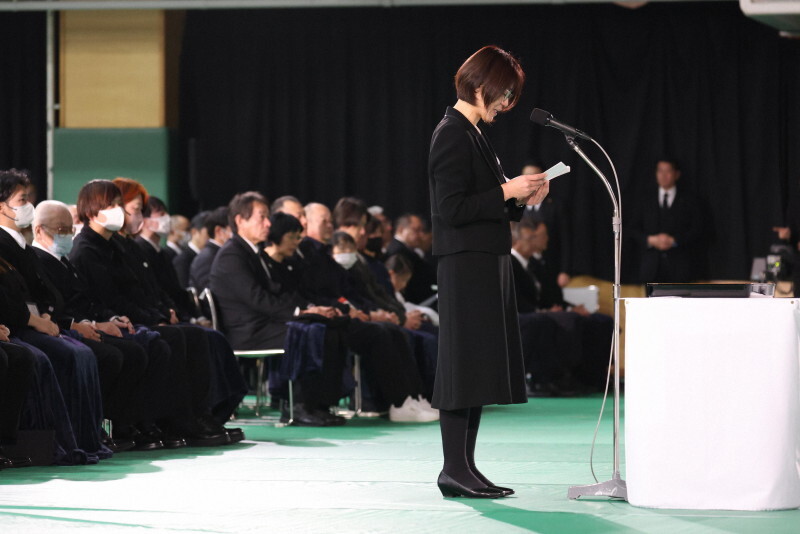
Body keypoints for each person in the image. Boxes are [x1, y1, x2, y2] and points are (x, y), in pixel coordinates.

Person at [428, 45, 549, 499]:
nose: (506, 104)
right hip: (465, 265)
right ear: (480, 87)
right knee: (462, 367)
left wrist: (521, 196)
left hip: (484, 261)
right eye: (504, 94)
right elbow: (452, 209)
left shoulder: (473, 133)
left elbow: (488, 205)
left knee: (475, 368)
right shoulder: (452, 133)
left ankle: (464, 468)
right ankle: (453, 469)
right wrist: (506, 190)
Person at [628, 159, 701, 283]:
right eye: (660, 171)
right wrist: (650, 240)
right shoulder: (644, 199)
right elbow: (632, 228)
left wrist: (674, 241)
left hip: (680, 268)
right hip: (650, 268)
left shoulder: (691, 200)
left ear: (676, 174)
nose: (663, 175)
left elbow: (698, 229)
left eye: (668, 171)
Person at [520, 161, 572, 288]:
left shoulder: (556, 206)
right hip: (523, 268)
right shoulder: (515, 205)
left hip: (551, 266)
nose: (529, 180)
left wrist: (565, 270)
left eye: (533, 176)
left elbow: (566, 239)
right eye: (526, 176)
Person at [189, 206, 229, 290]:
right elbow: (211, 293)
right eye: (234, 228)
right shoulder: (207, 258)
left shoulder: (218, 254)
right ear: (219, 231)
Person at [173, 211, 209, 289]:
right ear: (194, 232)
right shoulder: (182, 260)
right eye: (209, 233)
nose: (211, 237)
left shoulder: (209, 256)